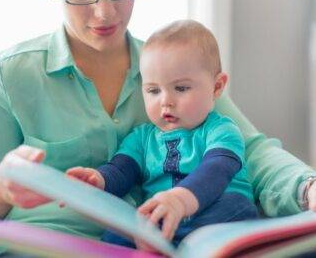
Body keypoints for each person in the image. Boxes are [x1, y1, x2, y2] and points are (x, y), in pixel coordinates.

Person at [0, 0, 316, 257]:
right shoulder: (12, 77)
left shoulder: (173, 70)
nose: (105, 10)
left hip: (163, 241)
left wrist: (308, 187)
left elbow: (253, 151)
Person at [66, 20, 259, 248]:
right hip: (161, 220)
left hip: (217, 212)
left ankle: (167, 243)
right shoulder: (141, 138)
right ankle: (159, 244)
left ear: (217, 87)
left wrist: (179, 200)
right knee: (115, 235)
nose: (166, 101)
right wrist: (98, 180)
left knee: (236, 206)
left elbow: (217, 170)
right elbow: (120, 170)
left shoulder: (220, 129)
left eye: (181, 88)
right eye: (154, 90)